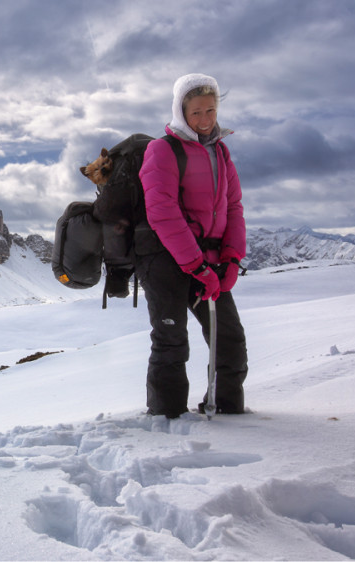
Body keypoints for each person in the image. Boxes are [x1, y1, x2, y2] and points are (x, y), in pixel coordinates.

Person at [136, 73, 249, 418]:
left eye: (210, 111)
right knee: (171, 342)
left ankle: (229, 412)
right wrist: (196, 265)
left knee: (229, 339)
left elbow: (233, 207)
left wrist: (231, 259)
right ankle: (166, 418)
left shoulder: (221, 151)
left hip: (209, 261)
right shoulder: (162, 150)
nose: (204, 120)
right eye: (196, 112)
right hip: (165, 259)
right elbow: (163, 213)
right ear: (180, 111)